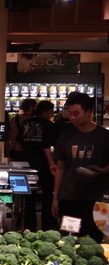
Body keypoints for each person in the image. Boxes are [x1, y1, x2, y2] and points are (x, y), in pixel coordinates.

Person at [52, 93, 109, 242]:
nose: (72, 118)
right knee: (68, 241)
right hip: (69, 199)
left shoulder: (104, 136)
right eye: (70, 114)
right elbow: (60, 168)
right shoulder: (66, 136)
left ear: (89, 112)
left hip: (96, 201)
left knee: (92, 243)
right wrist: (55, 198)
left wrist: (102, 171)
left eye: (76, 113)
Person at [21, 100, 56, 230]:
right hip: (44, 165)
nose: (51, 114)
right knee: (47, 196)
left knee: (29, 197)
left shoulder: (26, 122)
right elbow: (47, 146)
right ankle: (47, 226)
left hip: (27, 165)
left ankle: (29, 227)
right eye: (51, 112)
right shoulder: (48, 125)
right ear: (46, 112)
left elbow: (19, 142)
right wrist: (52, 162)